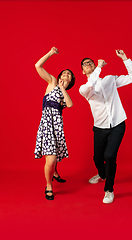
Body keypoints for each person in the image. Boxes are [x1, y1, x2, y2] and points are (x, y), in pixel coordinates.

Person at [79, 50, 132, 204]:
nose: (88, 64)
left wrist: (125, 58)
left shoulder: (110, 80)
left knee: (109, 156)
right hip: (100, 128)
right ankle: (102, 174)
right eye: (85, 64)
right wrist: (98, 67)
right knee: (97, 158)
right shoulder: (84, 89)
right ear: (83, 71)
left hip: (118, 124)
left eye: (90, 62)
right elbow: (90, 84)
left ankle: (109, 190)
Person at [34, 47, 75, 200]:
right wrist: (50, 54)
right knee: (50, 158)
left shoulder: (64, 92)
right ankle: (49, 184)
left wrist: (63, 88)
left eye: (69, 75)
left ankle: (55, 172)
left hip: (57, 125)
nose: (66, 74)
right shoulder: (51, 81)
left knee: (55, 153)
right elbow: (38, 66)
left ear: (70, 81)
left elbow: (69, 105)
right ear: (59, 76)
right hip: (47, 123)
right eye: (64, 72)